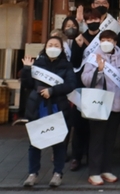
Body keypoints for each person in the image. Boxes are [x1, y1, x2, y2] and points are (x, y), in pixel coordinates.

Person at [21, 36, 76, 187]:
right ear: (45, 47)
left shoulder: (67, 66)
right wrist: (26, 69)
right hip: (38, 107)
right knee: (34, 142)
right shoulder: (37, 64)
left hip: (57, 106)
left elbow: (71, 84)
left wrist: (53, 90)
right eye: (50, 44)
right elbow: (27, 84)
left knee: (58, 142)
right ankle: (33, 174)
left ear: (61, 49)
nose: (53, 47)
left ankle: (57, 174)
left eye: (56, 45)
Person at [81, 30, 120, 185]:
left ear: (115, 42)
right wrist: (99, 71)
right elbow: (86, 80)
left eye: (110, 40)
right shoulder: (93, 58)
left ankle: (106, 169)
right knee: (97, 139)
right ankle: (94, 171)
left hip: (116, 104)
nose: (106, 42)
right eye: (104, 39)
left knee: (110, 140)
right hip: (99, 105)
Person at [69, 9, 103, 172]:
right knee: (79, 123)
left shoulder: (103, 38)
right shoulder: (79, 37)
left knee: (94, 124)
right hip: (80, 85)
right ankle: (76, 156)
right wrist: (79, 46)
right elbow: (75, 63)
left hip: (97, 85)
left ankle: (91, 156)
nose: (93, 22)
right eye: (89, 19)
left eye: (96, 19)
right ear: (86, 22)